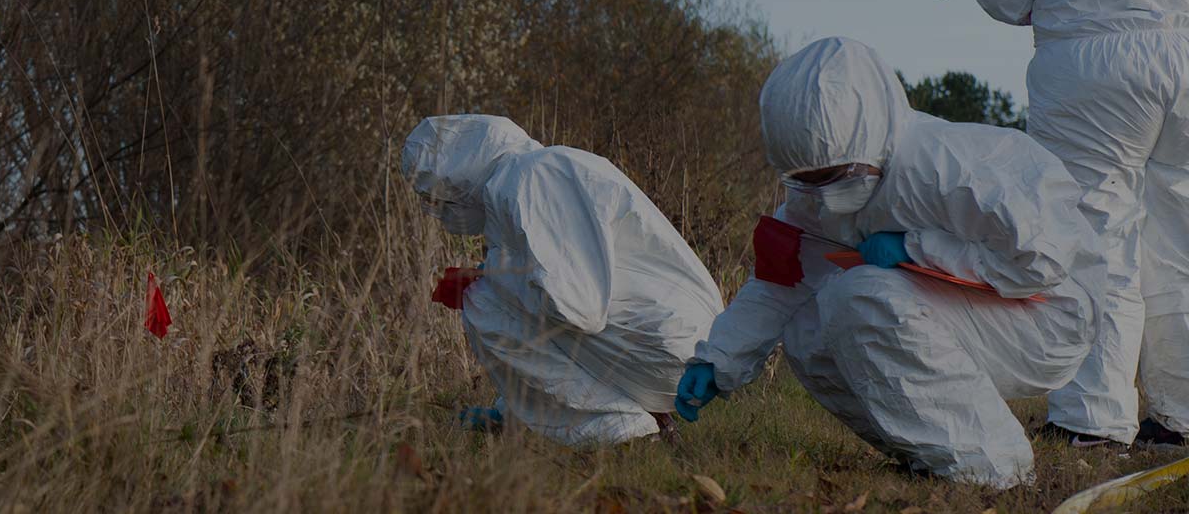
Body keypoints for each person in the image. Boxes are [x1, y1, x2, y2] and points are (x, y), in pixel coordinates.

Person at [677, 38, 1103, 488]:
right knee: (807, 329)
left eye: (835, 176)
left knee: (860, 296)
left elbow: (1043, 261)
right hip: (972, 306)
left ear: (869, 137)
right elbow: (781, 284)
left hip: (1050, 315)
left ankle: (992, 468)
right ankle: (929, 454)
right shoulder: (812, 196)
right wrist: (719, 359)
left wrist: (915, 248)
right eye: (807, 181)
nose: (824, 195)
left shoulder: (947, 167)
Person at [973, 0, 1189, 447]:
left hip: (1091, 64)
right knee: (1179, 246)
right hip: (1184, 55)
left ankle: (1093, 416)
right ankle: (1180, 417)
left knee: (1095, 239)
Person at [401, 114, 722, 447]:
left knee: (480, 299)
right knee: (487, 291)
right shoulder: (536, 173)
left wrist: (491, 277)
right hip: (690, 349)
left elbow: (578, 307)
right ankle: (584, 417)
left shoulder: (529, 178)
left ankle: (621, 431)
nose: (437, 210)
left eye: (436, 199)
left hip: (668, 350)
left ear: (455, 175)